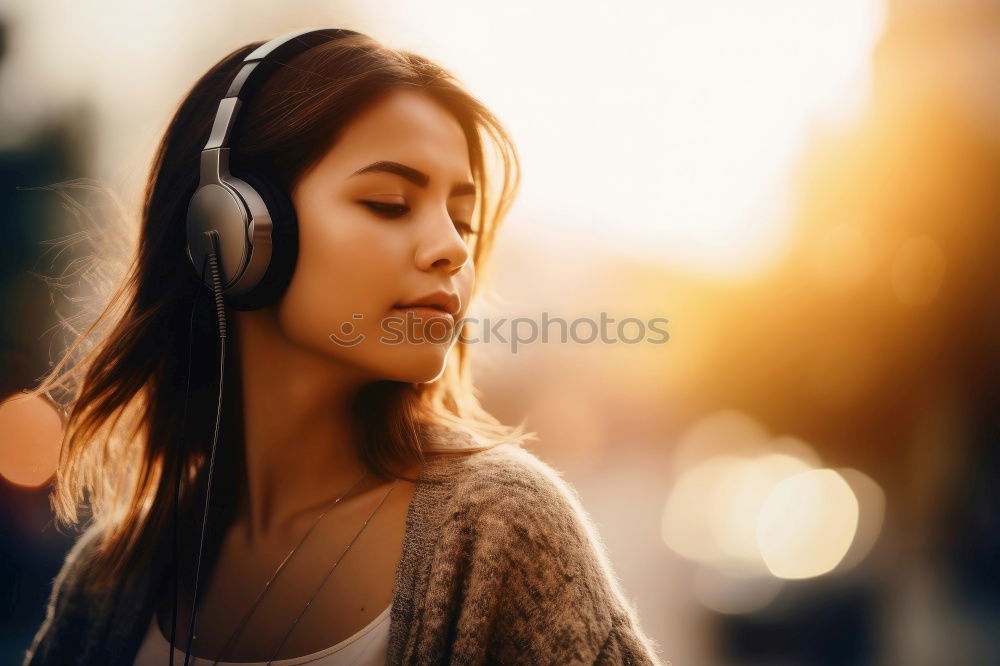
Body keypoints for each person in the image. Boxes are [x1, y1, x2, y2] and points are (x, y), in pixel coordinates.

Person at [21, 28, 663, 665]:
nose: (453, 248)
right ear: (229, 229)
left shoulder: (499, 528)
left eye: (462, 218)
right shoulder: (109, 577)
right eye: (389, 203)